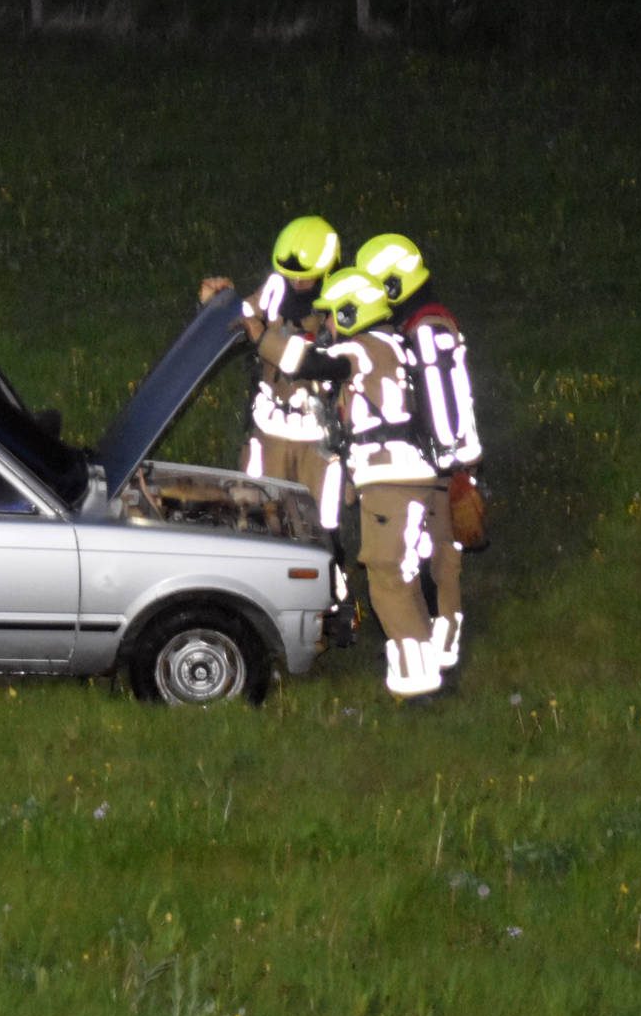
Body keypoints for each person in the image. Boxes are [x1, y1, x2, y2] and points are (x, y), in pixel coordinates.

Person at [255, 266, 444, 700]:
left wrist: (260, 337)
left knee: (387, 578)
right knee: (406, 574)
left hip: (390, 480)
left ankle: (417, 688)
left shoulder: (360, 349)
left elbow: (306, 362)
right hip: (413, 478)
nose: (325, 324)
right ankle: (425, 668)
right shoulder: (395, 342)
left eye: (332, 316)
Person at [204, 215, 353, 638]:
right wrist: (216, 301)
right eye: (290, 277)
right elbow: (240, 316)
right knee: (258, 516)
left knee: (322, 530)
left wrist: (261, 336)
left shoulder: (344, 306)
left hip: (316, 440)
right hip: (269, 431)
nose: (296, 286)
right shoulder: (275, 288)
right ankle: (257, 609)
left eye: (305, 279)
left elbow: (313, 361)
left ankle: (334, 611)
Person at [356, 234, 482, 679]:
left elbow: (443, 406)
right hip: (446, 462)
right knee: (437, 557)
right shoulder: (429, 322)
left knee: (437, 559)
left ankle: (437, 656)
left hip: (440, 465)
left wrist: (449, 459)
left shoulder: (424, 331)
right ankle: (438, 647)